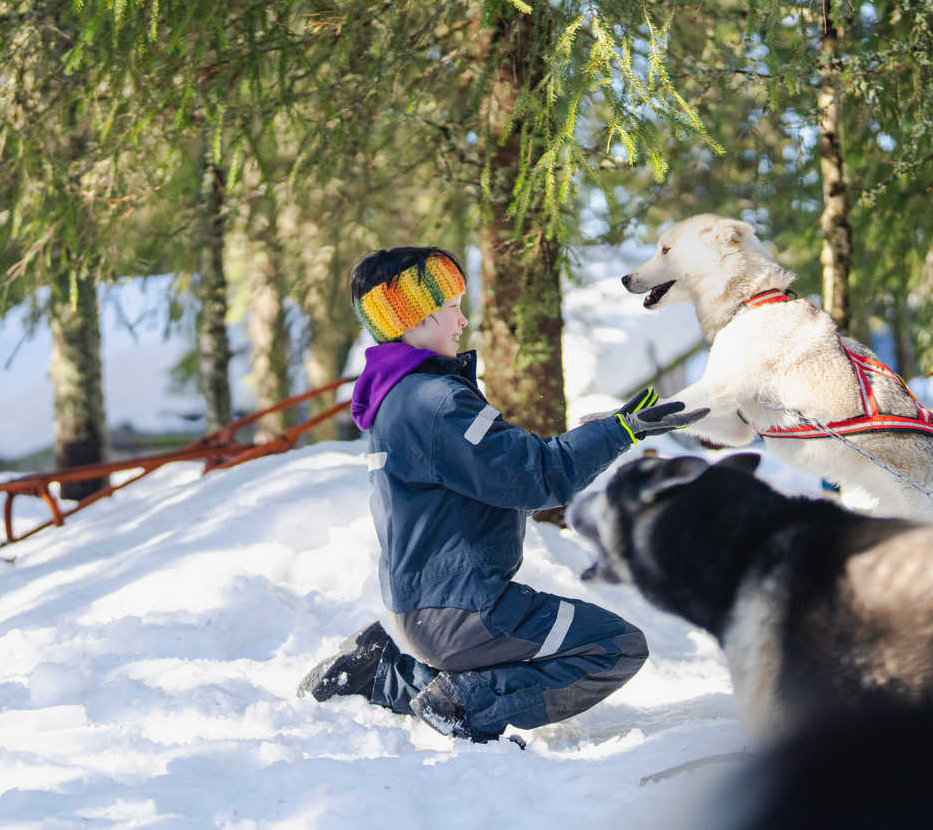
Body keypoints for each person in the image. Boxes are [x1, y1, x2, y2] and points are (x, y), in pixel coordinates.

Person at [297, 246, 706, 744]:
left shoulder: (400, 399)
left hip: (424, 611)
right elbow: (535, 477)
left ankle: (385, 672)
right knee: (615, 646)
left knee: (574, 640)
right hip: (465, 613)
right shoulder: (436, 402)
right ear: (417, 318)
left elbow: (514, 473)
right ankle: (467, 704)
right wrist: (625, 429)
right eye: (451, 307)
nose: (463, 320)